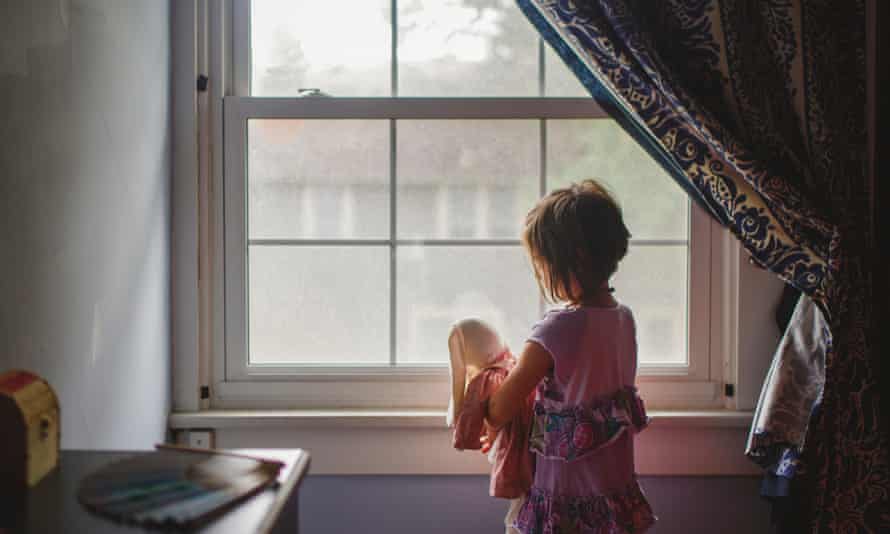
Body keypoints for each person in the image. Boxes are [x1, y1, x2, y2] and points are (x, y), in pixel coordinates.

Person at [483, 179, 656, 533]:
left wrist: (485, 379)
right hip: (613, 500)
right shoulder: (624, 320)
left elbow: (500, 409)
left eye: (543, 264)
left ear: (573, 258)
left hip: (565, 503)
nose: (542, 274)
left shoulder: (558, 329)